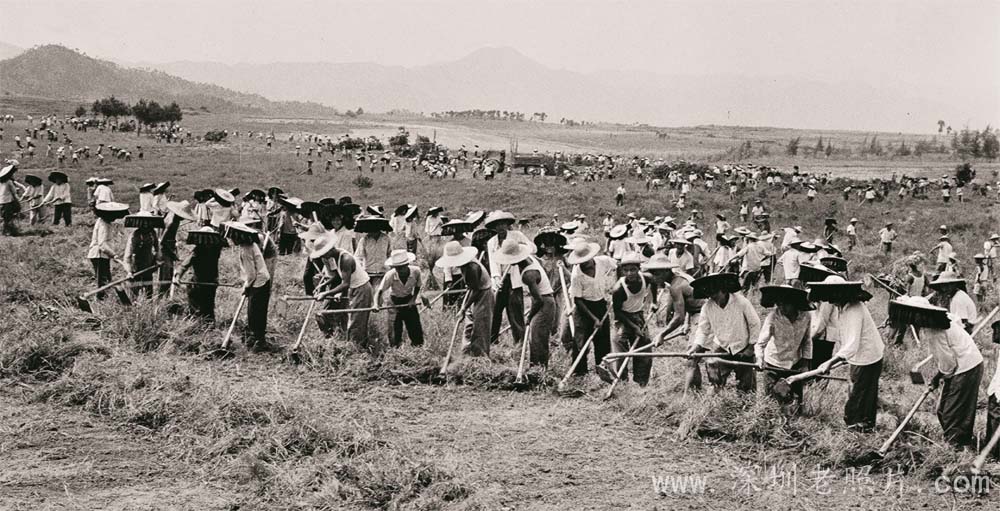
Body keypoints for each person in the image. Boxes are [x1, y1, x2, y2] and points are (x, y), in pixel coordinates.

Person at [889, 296, 983, 449]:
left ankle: (956, 446)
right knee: (942, 409)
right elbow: (949, 357)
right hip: (961, 364)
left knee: (953, 411)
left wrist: (938, 377)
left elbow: (949, 364)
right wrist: (938, 378)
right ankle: (956, 440)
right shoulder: (941, 322)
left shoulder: (935, 331)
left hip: (967, 366)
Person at [811, 276, 884, 432]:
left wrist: (829, 363)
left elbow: (852, 344)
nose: (830, 300)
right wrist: (840, 358)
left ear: (840, 293)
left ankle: (856, 427)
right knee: (862, 392)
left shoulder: (854, 309)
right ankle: (863, 426)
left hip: (868, 355)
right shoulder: (842, 308)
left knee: (859, 395)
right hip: (859, 355)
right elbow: (846, 339)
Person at [688, 272, 761, 393]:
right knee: (715, 380)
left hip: (742, 347)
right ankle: (716, 402)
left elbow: (755, 324)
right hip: (722, 346)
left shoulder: (741, 302)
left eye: (716, 293)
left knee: (747, 387)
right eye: (710, 294)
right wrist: (696, 347)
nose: (713, 297)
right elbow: (703, 329)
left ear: (724, 290)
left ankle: (746, 406)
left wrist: (751, 347)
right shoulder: (707, 307)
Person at [494, 238, 557, 367]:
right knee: (534, 337)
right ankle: (535, 366)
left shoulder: (528, 274)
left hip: (545, 303)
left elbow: (538, 300)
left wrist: (529, 316)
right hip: (543, 300)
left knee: (538, 337)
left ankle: (539, 369)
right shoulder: (530, 260)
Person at [313, 233, 377, 354]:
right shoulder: (334, 258)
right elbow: (337, 276)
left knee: (357, 322)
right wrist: (321, 286)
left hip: (362, 288)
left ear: (330, 249)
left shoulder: (346, 259)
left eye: (324, 252)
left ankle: (358, 351)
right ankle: (351, 345)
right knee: (348, 318)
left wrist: (325, 294)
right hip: (353, 287)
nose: (323, 256)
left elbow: (345, 284)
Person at [647, 255, 704, 389]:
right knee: (695, 356)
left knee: (692, 357)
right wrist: (687, 323)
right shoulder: (680, 276)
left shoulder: (675, 286)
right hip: (698, 314)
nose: (655, 277)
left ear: (667, 271)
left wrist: (662, 334)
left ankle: (688, 396)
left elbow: (679, 316)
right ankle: (696, 391)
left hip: (703, 316)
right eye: (653, 273)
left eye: (658, 273)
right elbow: (691, 300)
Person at [601, 253, 657, 386]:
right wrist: (634, 328)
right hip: (622, 319)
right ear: (622, 270)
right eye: (626, 270)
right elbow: (618, 313)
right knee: (620, 349)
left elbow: (654, 283)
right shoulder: (619, 289)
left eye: (633, 269)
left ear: (639, 268)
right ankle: (621, 381)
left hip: (638, 315)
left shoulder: (646, 278)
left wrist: (654, 301)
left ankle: (641, 382)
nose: (630, 273)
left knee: (644, 348)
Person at [756, 285, 814, 414]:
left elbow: (807, 341)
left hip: (794, 364)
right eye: (778, 304)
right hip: (774, 363)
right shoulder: (773, 317)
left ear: (794, 303)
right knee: (771, 400)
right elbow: (761, 343)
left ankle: (796, 424)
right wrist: (759, 359)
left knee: (796, 401)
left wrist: (805, 365)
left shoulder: (806, 316)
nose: (781, 308)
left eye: (784, 304)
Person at [224, 221, 280, 353]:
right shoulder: (252, 244)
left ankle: (258, 342)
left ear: (238, 237)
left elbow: (251, 275)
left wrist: (246, 287)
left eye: (232, 238)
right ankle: (258, 339)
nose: (231, 240)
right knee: (259, 312)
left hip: (258, 283)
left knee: (254, 314)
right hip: (263, 280)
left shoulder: (245, 250)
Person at [565, 241, 616, 376]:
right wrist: (593, 319)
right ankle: (580, 372)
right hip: (584, 308)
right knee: (580, 341)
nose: (584, 263)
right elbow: (578, 300)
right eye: (581, 261)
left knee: (603, 340)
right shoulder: (577, 275)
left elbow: (618, 266)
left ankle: (603, 369)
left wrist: (617, 285)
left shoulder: (603, 261)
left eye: (587, 260)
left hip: (600, 304)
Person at [435, 240, 494, 357]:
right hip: (474, 293)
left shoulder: (472, 267)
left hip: (484, 295)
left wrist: (463, 308)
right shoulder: (464, 266)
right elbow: (471, 288)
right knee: (469, 326)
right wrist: (464, 308)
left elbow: (476, 290)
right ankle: (466, 354)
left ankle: (480, 358)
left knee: (480, 327)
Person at [485, 211, 531, 343]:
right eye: (497, 225)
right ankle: (493, 341)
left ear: (507, 224)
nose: (500, 227)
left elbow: (532, 248)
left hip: (514, 279)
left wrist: (518, 251)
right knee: (495, 310)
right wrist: (496, 277)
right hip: (499, 280)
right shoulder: (491, 242)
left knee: (515, 312)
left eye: (502, 224)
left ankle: (520, 342)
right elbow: (493, 262)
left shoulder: (517, 236)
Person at [174, 226, 226, 322]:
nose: (207, 243)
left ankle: (209, 326)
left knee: (208, 307)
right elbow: (184, 265)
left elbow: (222, 239)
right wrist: (177, 276)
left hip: (211, 282)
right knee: (195, 307)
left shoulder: (216, 250)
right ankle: (195, 324)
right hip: (197, 283)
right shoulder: (197, 251)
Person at [374, 250, 424, 347]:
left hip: (408, 299)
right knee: (394, 328)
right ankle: (395, 350)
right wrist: (376, 304)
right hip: (394, 301)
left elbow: (418, 286)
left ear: (407, 264)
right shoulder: (390, 275)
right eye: (396, 267)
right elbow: (379, 291)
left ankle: (418, 348)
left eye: (401, 267)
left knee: (414, 326)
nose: (399, 270)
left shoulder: (416, 271)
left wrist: (413, 299)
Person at [88, 202, 129, 298]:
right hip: (99, 255)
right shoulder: (104, 225)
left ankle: (104, 297)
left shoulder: (103, 222)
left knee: (106, 278)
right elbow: (102, 244)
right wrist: (113, 254)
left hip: (102, 255)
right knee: (103, 280)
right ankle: (100, 299)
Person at [122, 212, 161, 299]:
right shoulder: (134, 236)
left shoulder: (152, 233)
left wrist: (158, 260)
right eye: (143, 222)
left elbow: (157, 248)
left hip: (148, 264)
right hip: (136, 266)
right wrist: (129, 271)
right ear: (139, 223)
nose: (146, 224)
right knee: (134, 292)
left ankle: (149, 306)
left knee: (149, 292)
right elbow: (127, 256)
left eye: (147, 222)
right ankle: (133, 307)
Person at [354, 215, 393, 288]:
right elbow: (358, 257)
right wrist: (360, 270)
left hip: (383, 271)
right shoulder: (364, 240)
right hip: (368, 272)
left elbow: (390, 254)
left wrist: (390, 267)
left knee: (379, 293)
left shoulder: (386, 238)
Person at [0, 163, 25, 235]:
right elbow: (14, 193)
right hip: (8, 202)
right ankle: (10, 231)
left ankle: (5, 231)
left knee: (5, 217)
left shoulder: (1, 183)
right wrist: (19, 200)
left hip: (1, 202)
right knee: (9, 216)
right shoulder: (9, 182)